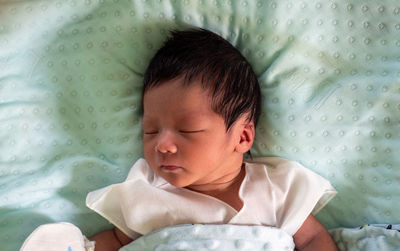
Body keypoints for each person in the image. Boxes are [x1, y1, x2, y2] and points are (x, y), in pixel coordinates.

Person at [20, 28, 338, 251]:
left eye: (187, 130)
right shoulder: (147, 194)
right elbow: (115, 243)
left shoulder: (277, 190)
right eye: (151, 130)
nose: (162, 145)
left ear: (242, 136)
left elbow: (311, 239)